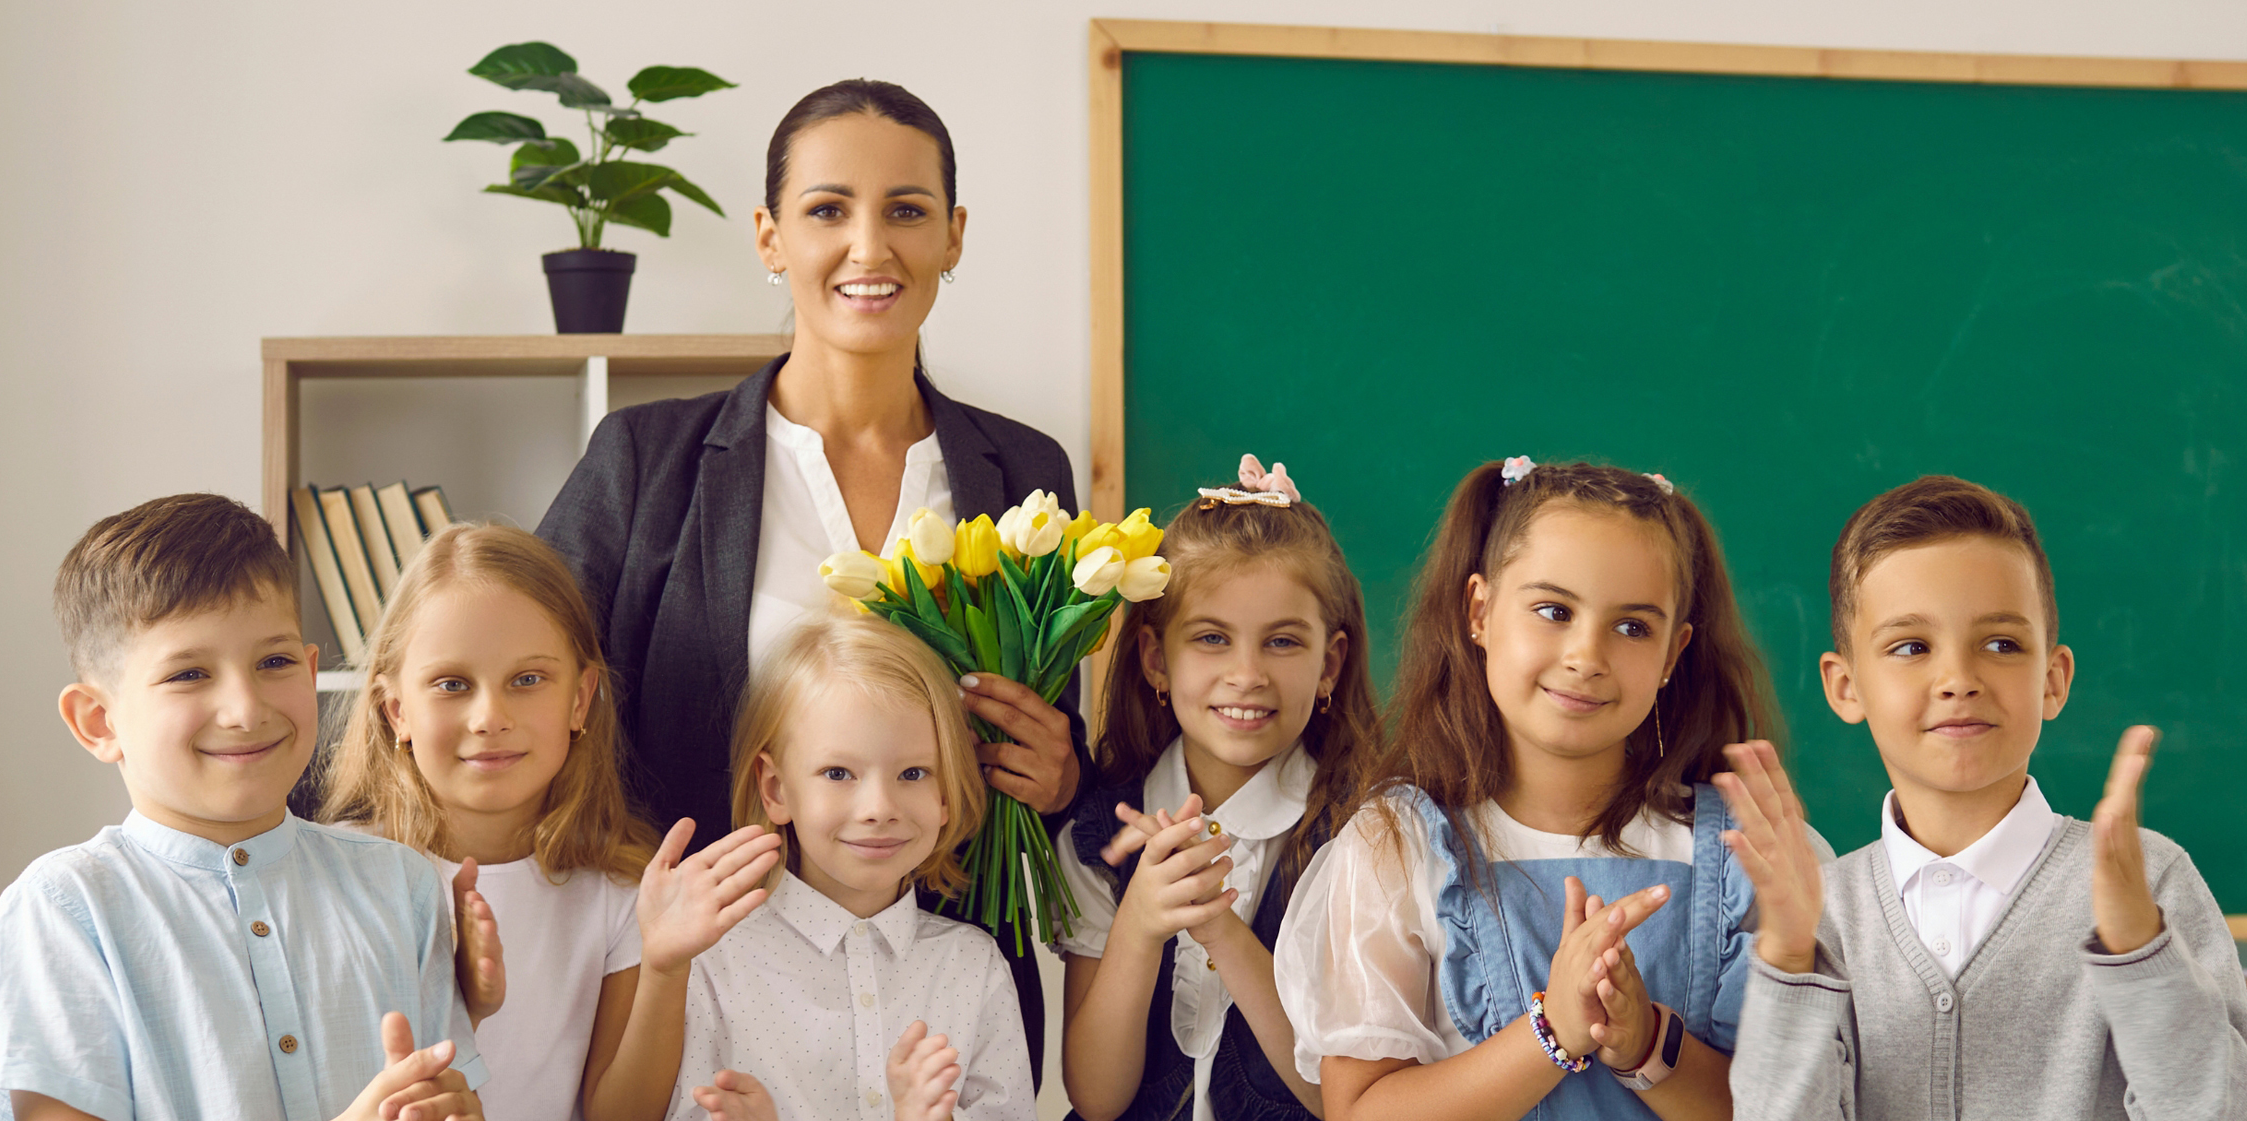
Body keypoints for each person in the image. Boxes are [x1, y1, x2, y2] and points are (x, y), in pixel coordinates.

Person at [534, 77, 1080, 1071]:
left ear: (953, 236)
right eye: (827, 210)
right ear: (768, 235)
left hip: (929, 1014)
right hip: (702, 1010)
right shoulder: (642, 461)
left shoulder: (1025, 472)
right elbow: (522, 683)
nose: (868, 249)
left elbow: (1050, 752)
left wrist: (1059, 774)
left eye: (906, 212)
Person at [1721, 475, 2247, 1120]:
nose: (1958, 679)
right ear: (1846, 687)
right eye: (1912, 647)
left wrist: (2140, 954)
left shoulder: (2149, 882)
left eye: (2002, 644)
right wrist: (1788, 962)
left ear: (2053, 680)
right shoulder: (1823, 915)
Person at [1277, 460, 1782, 1121]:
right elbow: (1359, 1109)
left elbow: (1793, 1098)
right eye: (1553, 610)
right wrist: (1554, 1032)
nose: (1585, 654)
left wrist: (1645, 1044)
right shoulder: (1394, 845)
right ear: (1479, 611)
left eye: (1632, 626)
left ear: (1672, 653)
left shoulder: (1749, 850)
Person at [0, 493, 481, 1121]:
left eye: (275, 661)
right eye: (188, 674)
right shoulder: (63, 911)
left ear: (311, 668)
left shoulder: (403, 886)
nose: (246, 708)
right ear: (99, 721)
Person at [1052, 456, 1379, 1121]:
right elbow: (1094, 1095)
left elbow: (1334, 1098)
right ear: (1154, 659)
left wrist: (1221, 930)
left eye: (1282, 641)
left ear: (1330, 664)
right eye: (1211, 638)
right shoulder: (1099, 832)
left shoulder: (1365, 835)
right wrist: (1140, 926)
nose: (1246, 673)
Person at [315, 523, 664, 1121]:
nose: (490, 717)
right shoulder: (330, 877)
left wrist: (667, 962)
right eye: (452, 684)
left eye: (527, 680)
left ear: (580, 700)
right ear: (395, 710)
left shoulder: (624, 895)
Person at [674, 611, 1033, 1121]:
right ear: (775, 789)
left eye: (913, 772)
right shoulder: (715, 964)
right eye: (838, 772)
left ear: (948, 790)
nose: (878, 807)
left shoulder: (974, 970)